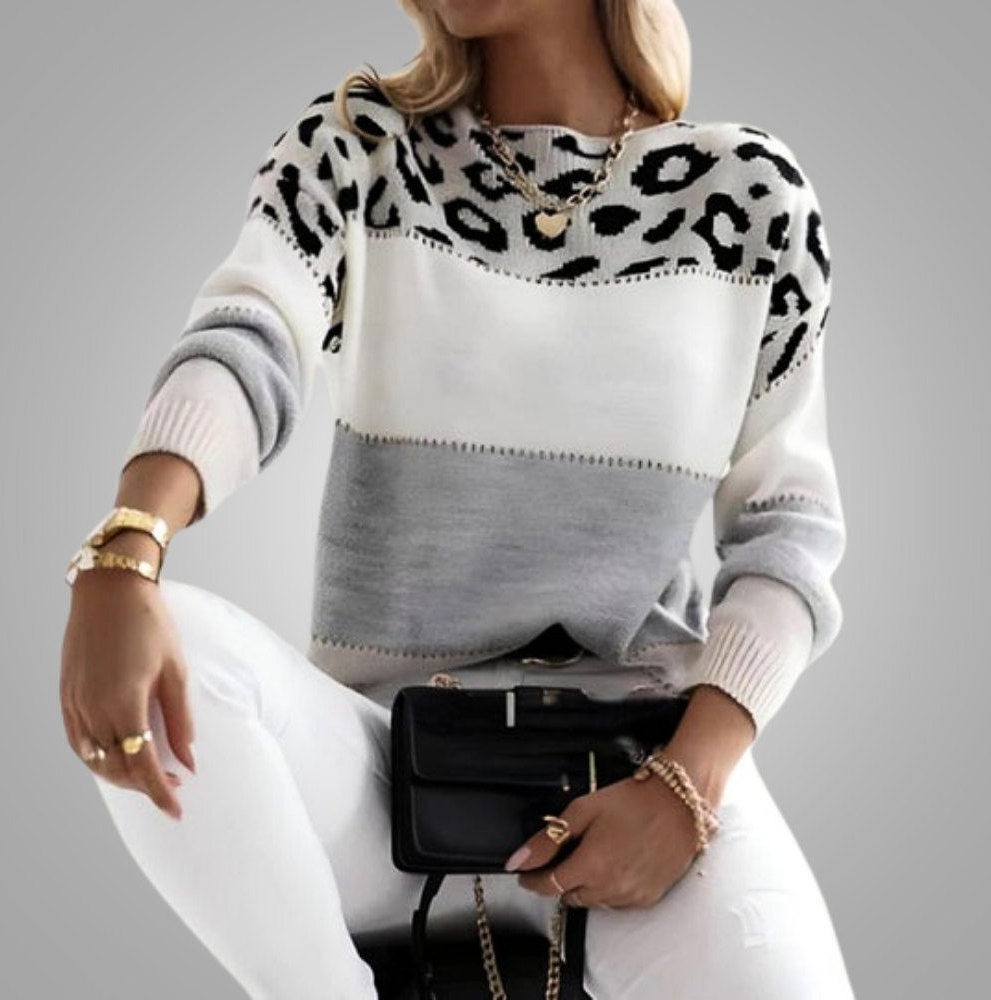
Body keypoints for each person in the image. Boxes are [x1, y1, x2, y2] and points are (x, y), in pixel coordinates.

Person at [59, 1, 858, 997]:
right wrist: (128, 548)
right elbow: (246, 342)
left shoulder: (745, 195)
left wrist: (687, 786)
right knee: (181, 650)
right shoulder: (360, 150)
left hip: (642, 772)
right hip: (384, 772)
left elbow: (789, 534)